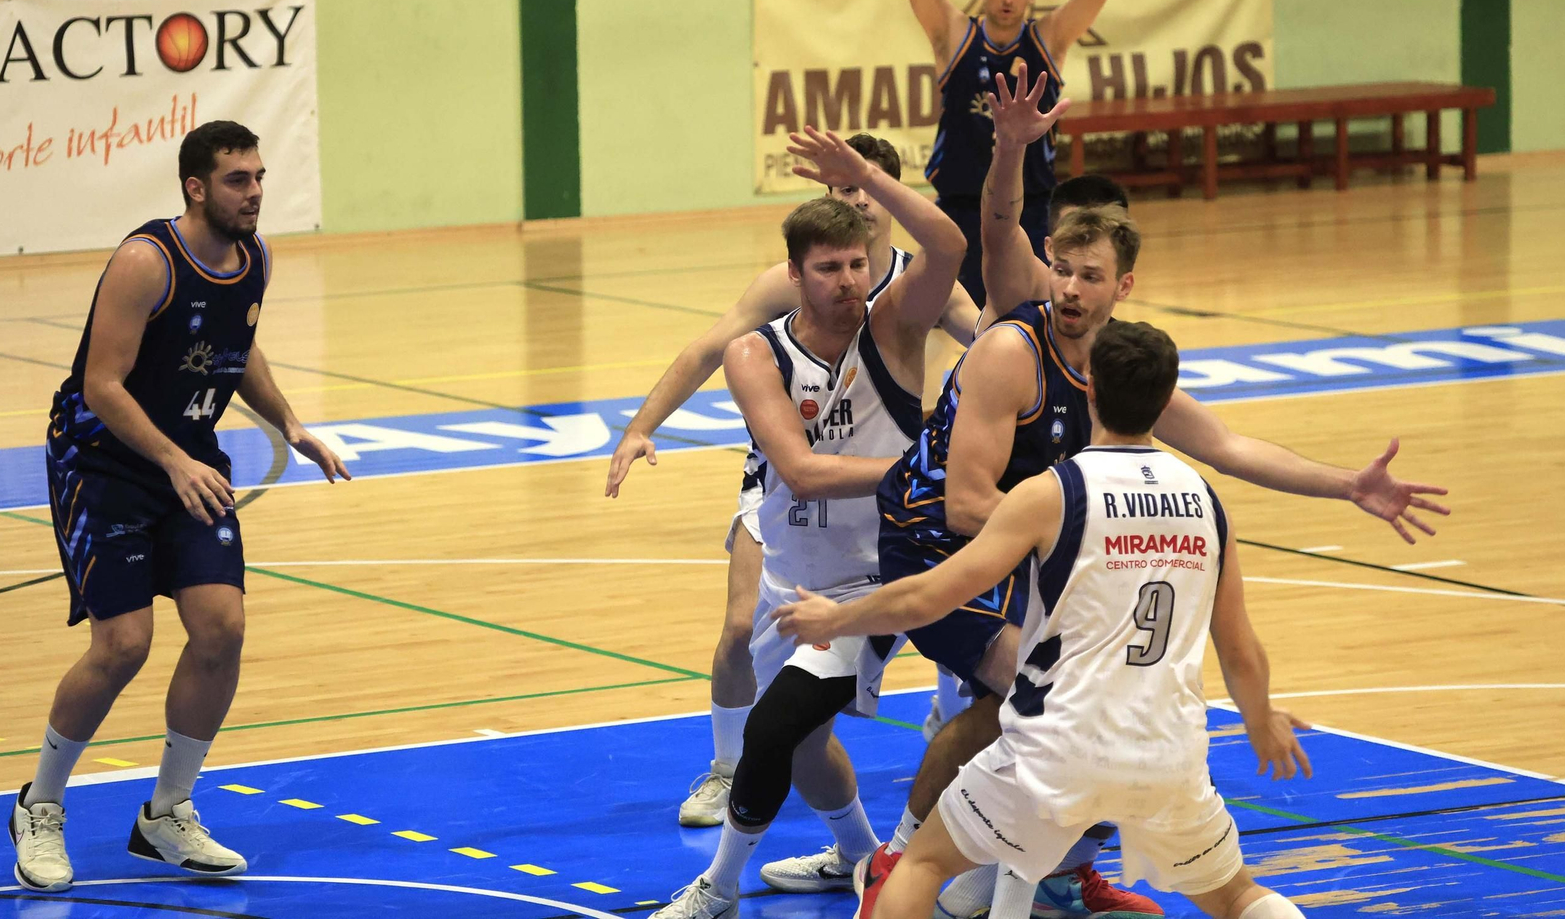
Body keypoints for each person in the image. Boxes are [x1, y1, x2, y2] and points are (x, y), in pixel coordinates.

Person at [865, 69, 1450, 917]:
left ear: (1121, 287)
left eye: (1088, 276)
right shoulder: (1012, 343)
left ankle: (1055, 867)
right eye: (1061, 269)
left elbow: (1227, 444)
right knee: (1027, 688)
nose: (1068, 288)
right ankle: (900, 853)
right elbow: (965, 503)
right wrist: (1011, 149)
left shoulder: (1116, 364)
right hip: (934, 536)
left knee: (1102, 699)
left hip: (1031, 530)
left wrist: (1348, 486)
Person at [773, 319, 1313, 919]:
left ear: (1088, 390)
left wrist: (835, 617)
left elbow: (929, 595)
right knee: (1238, 895)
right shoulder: (1206, 503)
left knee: (921, 864)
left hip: (1057, 748)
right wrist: (1260, 719)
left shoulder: (1053, 491)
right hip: (1170, 752)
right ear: (1166, 400)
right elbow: (1241, 651)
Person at [8, 121, 349, 894]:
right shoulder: (144, 262)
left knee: (221, 628)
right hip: (105, 463)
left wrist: (290, 422)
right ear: (196, 187)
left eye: (259, 176)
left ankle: (166, 813)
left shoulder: (254, 254)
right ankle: (41, 804)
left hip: (188, 461)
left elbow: (239, 346)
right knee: (123, 643)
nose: (255, 191)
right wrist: (172, 459)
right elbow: (101, 384)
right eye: (238, 179)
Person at [605, 135, 979, 827]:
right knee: (742, 629)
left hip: (881, 504)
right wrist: (640, 425)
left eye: (863, 188)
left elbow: (992, 335)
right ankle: (729, 770)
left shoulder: (906, 293)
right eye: (839, 191)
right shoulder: (790, 286)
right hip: (791, 477)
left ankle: (954, 747)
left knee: (962, 640)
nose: (854, 203)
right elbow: (708, 350)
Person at [895, 0, 1125, 304]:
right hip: (960, 208)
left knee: (1030, 317)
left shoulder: (1049, 40)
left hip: (1030, 210)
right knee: (948, 325)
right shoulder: (953, 37)